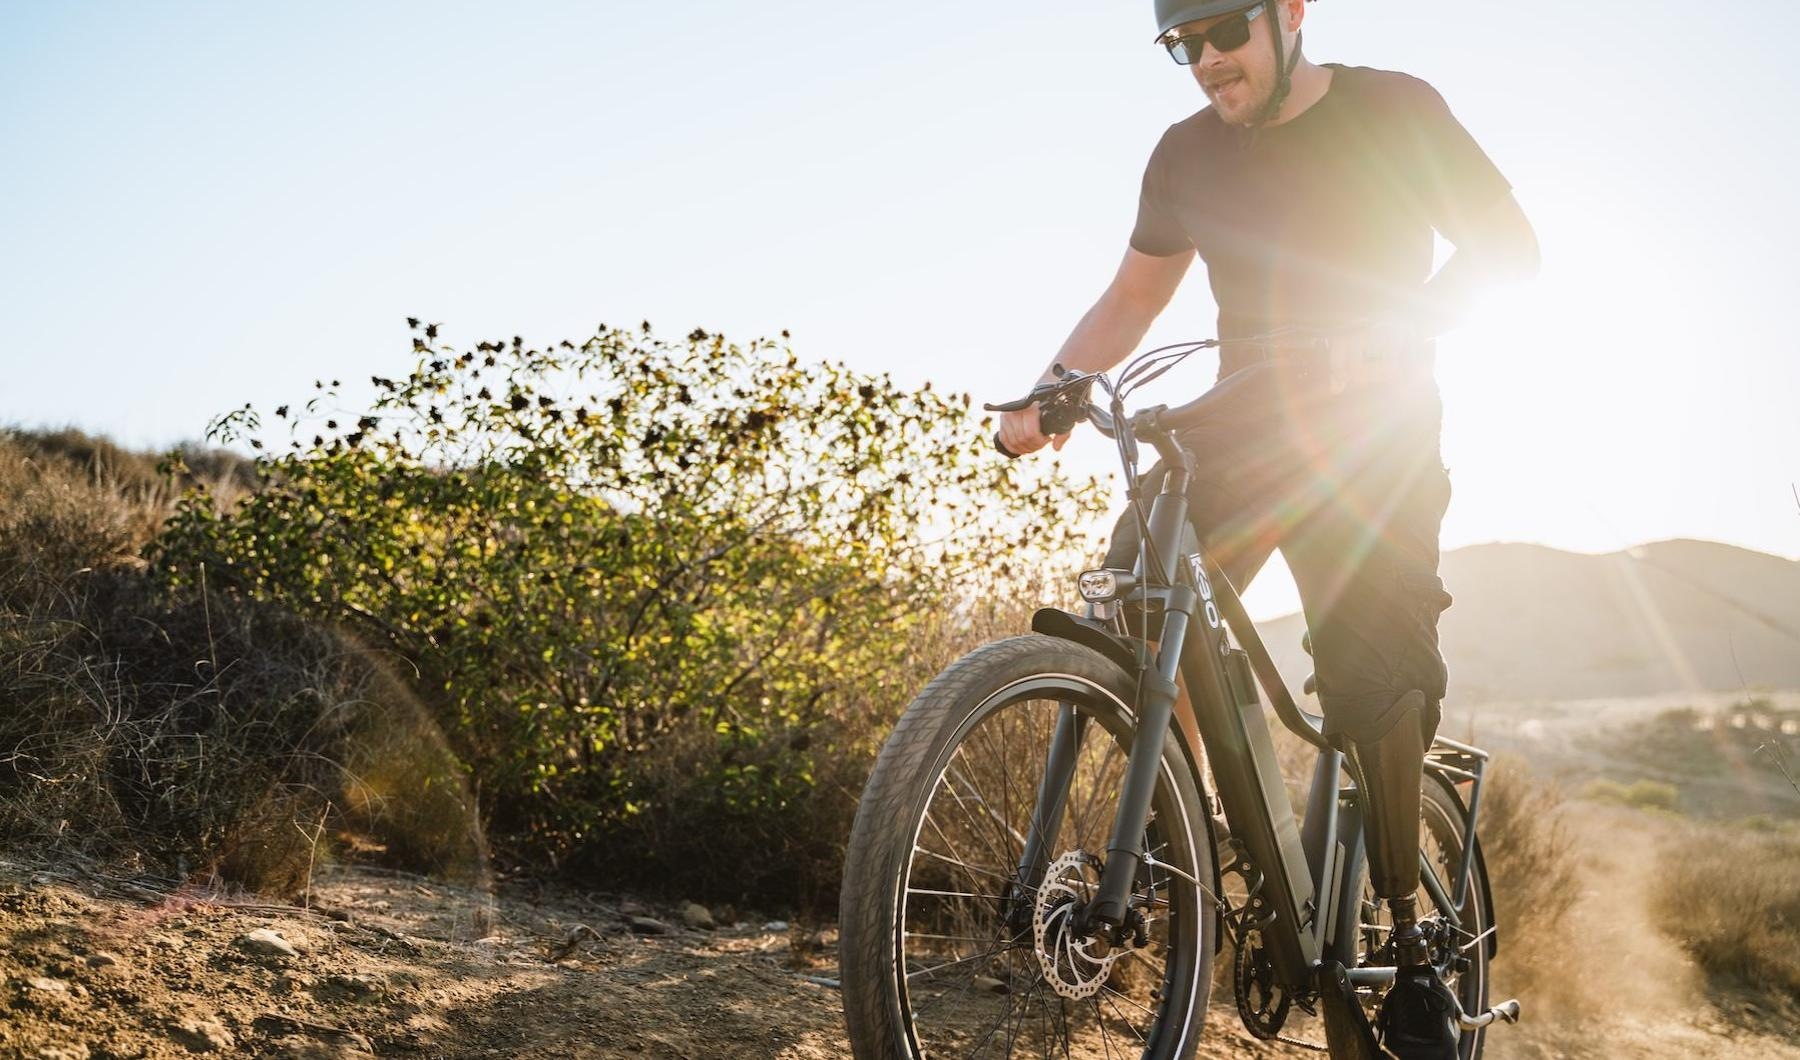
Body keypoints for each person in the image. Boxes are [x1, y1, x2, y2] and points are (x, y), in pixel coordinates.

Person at [995, 1, 1539, 1056]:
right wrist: (1050, 389)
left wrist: (1401, 322)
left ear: (1289, 13)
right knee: (1138, 586)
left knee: (1370, 673)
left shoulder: (1395, 110)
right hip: (1238, 428)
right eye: (1180, 45)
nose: (1204, 62)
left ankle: (1413, 943)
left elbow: (1508, 250)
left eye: (1223, 32)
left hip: (1371, 438)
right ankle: (1176, 847)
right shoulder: (1185, 156)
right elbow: (1132, 297)